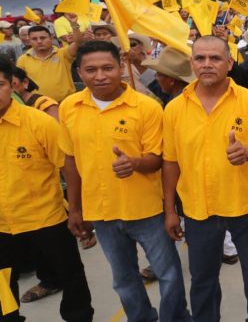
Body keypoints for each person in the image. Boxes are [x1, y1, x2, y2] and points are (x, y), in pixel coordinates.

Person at [59, 41, 189, 322]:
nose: (100, 76)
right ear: (79, 71)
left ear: (121, 67)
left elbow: (159, 159)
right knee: (123, 279)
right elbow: (70, 161)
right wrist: (75, 208)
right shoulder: (70, 107)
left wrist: (135, 163)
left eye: (108, 68)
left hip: (146, 210)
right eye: (91, 69)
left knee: (168, 274)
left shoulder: (147, 108)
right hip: (102, 212)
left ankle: (176, 317)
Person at [161, 35, 248, 322]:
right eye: (200, 58)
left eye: (215, 58)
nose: (207, 64)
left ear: (229, 63)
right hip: (199, 210)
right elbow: (170, 162)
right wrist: (169, 210)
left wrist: (246, 152)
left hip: (245, 207)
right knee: (202, 282)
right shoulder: (175, 107)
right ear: (192, 63)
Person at [0, 54, 94, 322]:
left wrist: (78, 210)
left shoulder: (39, 122)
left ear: (13, 85)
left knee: (71, 278)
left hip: (48, 219)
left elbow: (68, 167)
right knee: (0, 286)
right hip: (0, 224)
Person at [16, 22, 83, 102]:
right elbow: (19, 83)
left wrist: (74, 24)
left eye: (43, 38)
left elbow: (78, 43)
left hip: (66, 102)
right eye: (34, 39)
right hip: (38, 105)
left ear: (51, 38)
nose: (39, 41)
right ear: (29, 41)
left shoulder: (63, 54)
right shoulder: (23, 60)